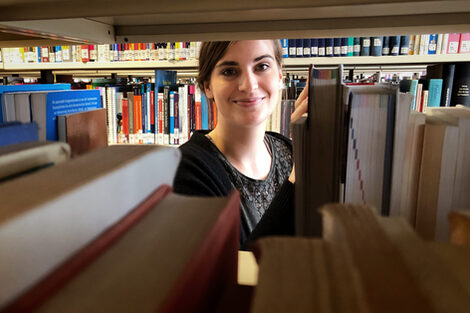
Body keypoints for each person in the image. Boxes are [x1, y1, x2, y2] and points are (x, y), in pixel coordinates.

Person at [173, 40, 308, 247]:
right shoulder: (185, 170)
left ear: (280, 75)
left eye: (262, 66)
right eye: (229, 71)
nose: (249, 85)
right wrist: (298, 180)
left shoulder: (290, 151)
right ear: (207, 86)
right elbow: (234, 273)